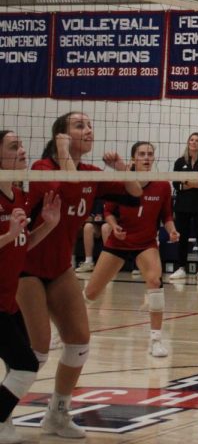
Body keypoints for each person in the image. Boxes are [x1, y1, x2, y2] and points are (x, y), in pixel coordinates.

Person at [19, 111, 142, 438]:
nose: (89, 130)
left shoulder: (89, 171)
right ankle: (4, 411)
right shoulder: (42, 168)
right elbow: (71, 189)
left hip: (59, 268)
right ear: (61, 135)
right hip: (25, 268)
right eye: (79, 126)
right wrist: (61, 152)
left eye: (90, 125)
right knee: (38, 351)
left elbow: (135, 193)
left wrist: (122, 169)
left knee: (79, 341)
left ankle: (57, 413)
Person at [83, 142, 180, 358]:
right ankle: (64, 332)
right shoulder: (122, 182)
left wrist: (172, 231)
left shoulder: (163, 185)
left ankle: (155, 340)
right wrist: (114, 225)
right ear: (133, 158)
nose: (146, 157)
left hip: (145, 244)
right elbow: (109, 211)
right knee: (91, 292)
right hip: (119, 242)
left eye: (150, 154)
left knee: (155, 282)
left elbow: (167, 216)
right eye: (142, 154)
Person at [1, 130, 62, 444]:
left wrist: (47, 226)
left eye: (23, 145)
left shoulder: (18, 193)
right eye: (14, 146)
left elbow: (21, 245)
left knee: (20, 363)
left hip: (7, 301)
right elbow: (10, 240)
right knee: (25, 366)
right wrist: (9, 235)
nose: (23, 150)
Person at [169, 133, 198, 283]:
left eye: (197, 141)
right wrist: (195, 183)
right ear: (188, 142)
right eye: (192, 140)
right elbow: (176, 185)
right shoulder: (179, 162)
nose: (194, 143)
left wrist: (186, 182)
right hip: (183, 205)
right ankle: (181, 267)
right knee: (182, 238)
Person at [74, 200, 108, 275]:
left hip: (111, 225)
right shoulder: (98, 198)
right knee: (88, 227)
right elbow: (94, 214)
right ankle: (88, 261)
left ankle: (108, 263)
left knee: (105, 227)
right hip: (98, 225)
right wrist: (92, 217)